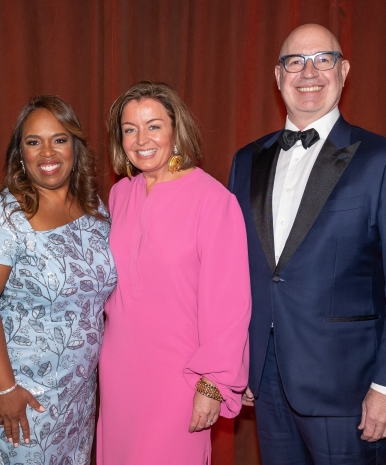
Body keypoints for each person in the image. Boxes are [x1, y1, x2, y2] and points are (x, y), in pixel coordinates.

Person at [228, 24, 386, 464]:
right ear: (277, 77)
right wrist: (238, 359)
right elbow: (238, 271)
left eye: (323, 59)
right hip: (266, 381)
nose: (308, 72)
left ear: (344, 71)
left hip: (351, 390)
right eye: (294, 62)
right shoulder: (246, 160)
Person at [96, 81, 251, 463]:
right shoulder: (119, 195)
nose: (141, 139)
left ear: (175, 130)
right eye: (129, 129)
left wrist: (213, 386)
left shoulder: (214, 201)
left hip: (181, 377)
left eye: (153, 126)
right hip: (119, 371)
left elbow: (230, 305)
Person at [0, 95, 116, 465]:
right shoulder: (3, 216)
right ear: (21, 153)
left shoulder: (95, 207)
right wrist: (5, 388)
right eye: (33, 142)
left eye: (59, 139)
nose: (47, 152)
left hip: (79, 390)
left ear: (76, 147)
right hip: (23, 392)